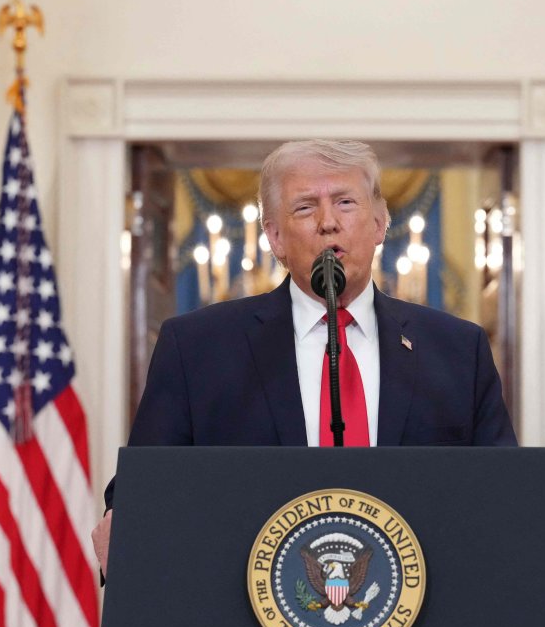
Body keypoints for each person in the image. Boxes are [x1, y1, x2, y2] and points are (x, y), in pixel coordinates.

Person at [92, 140, 517, 576]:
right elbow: (144, 488)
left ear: (379, 223)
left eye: (346, 202)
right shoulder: (198, 348)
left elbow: (506, 493)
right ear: (275, 237)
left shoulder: (457, 350)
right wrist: (124, 520)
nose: (328, 222)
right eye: (305, 208)